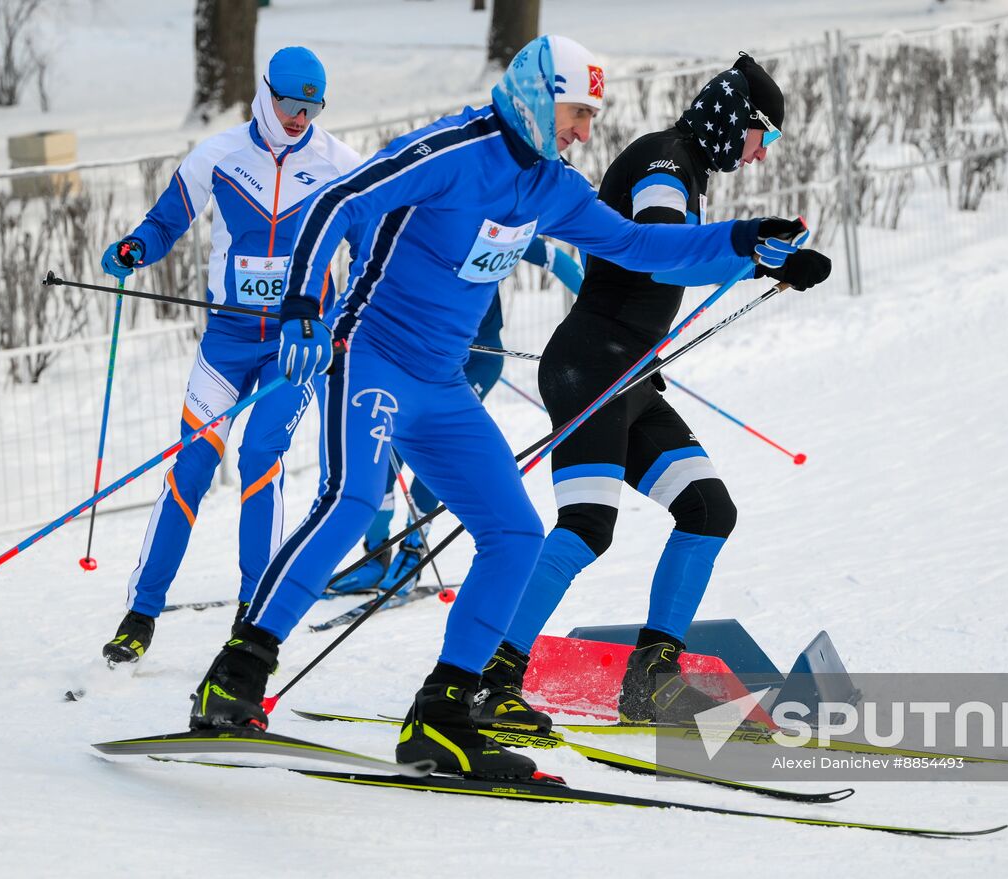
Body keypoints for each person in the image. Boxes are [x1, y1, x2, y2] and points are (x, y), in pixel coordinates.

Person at [186, 35, 826, 782]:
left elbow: (639, 246)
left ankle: (445, 717)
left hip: (444, 385)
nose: (586, 131)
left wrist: (751, 245)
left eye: (591, 116)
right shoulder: (452, 150)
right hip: (373, 357)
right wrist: (300, 301)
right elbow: (338, 199)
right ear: (535, 94)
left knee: (515, 531)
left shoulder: (551, 186)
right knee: (353, 499)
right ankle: (236, 671)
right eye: (577, 113)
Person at [472, 54, 831, 733]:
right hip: (590, 366)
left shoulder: (688, 173)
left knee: (707, 510)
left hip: (627, 376)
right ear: (734, 118)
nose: (759, 155)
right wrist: (753, 251)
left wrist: (768, 260)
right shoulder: (665, 161)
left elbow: (683, 250)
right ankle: (488, 675)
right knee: (585, 529)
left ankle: (650, 680)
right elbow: (662, 246)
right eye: (765, 137)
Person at [99, 47, 362, 664]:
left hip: (293, 350)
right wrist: (137, 246)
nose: (299, 118)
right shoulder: (217, 156)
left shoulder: (339, 164)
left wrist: (339, 317)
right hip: (226, 343)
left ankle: (253, 615)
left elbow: (373, 244)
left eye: (312, 107)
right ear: (264, 94)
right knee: (190, 470)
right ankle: (141, 613)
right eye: (290, 104)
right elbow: (165, 223)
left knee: (260, 461)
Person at [325, 238, 583, 596]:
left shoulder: (498, 229)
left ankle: (414, 550)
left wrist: (596, 323)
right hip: (418, 362)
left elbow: (557, 261)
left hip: (476, 361)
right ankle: (375, 555)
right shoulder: (416, 229)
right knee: (383, 458)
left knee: (437, 454)